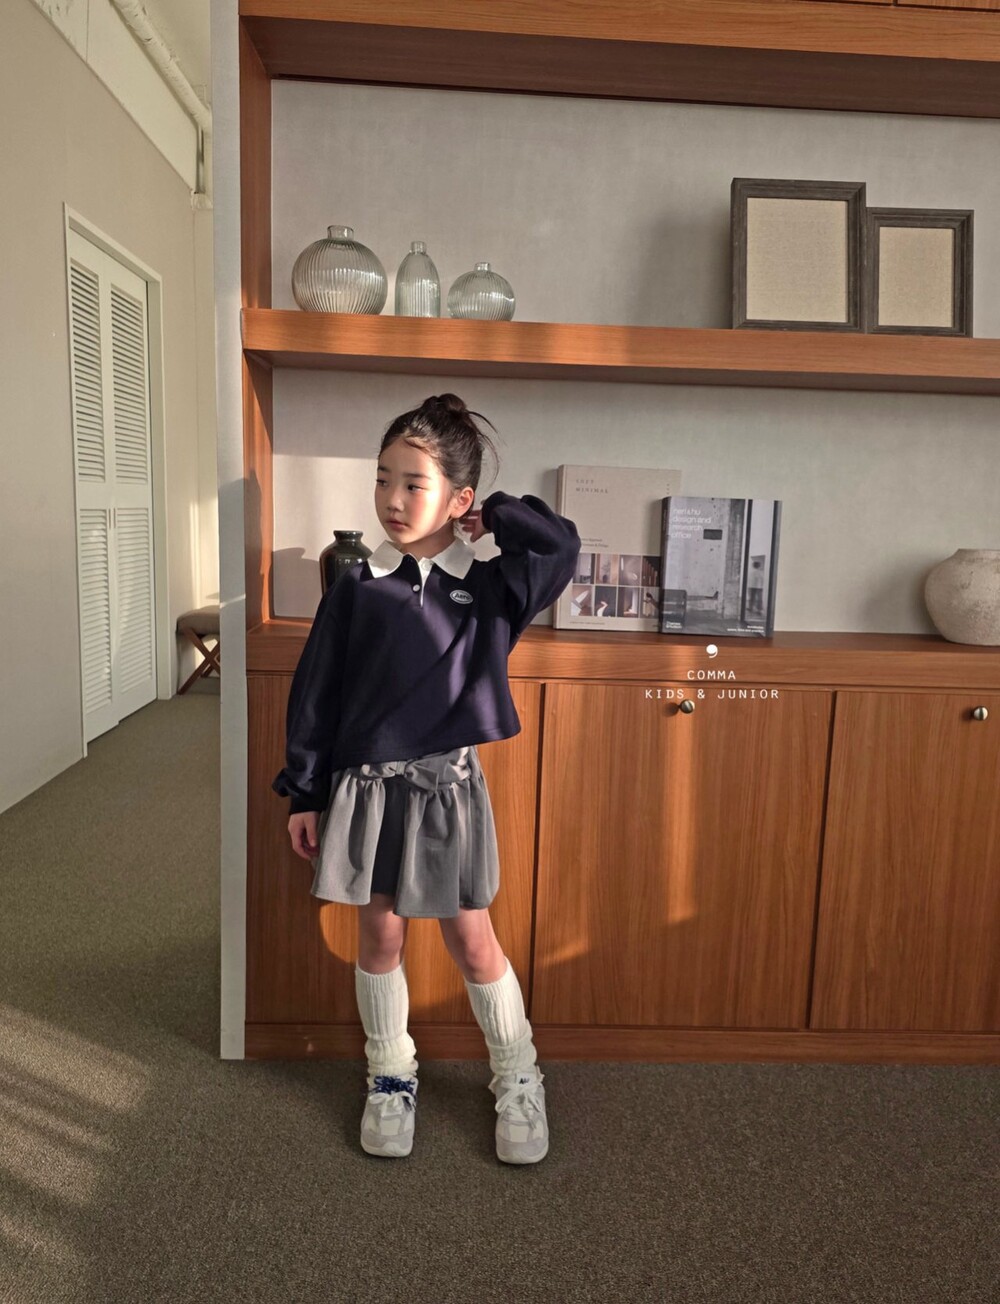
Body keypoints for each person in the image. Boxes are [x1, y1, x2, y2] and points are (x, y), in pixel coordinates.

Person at [271, 393, 580, 1165]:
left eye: (414, 483)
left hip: (447, 792)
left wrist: (495, 517)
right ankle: (389, 1075)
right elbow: (316, 694)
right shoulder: (357, 586)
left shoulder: (493, 589)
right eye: (384, 479)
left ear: (458, 499)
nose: (393, 498)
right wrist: (306, 791)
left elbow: (560, 546)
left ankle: (518, 1075)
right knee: (379, 934)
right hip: (367, 790)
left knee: (473, 940)